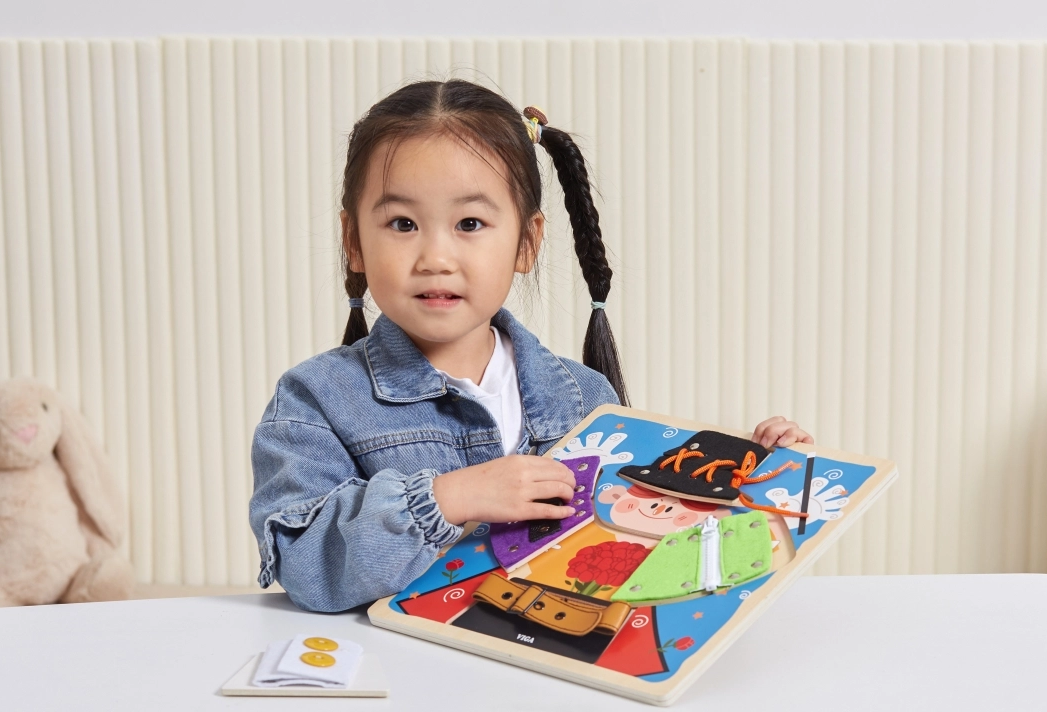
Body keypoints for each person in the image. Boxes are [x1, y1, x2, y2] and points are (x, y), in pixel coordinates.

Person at [249, 79, 813, 612]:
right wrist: (445, 499)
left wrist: (750, 462)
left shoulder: (583, 397)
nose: (435, 258)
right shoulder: (314, 401)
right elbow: (304, 565)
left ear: (527, 241)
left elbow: (640, 527)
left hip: (555, 659)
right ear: (353, 241)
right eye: (402, 224)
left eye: (470, 223)